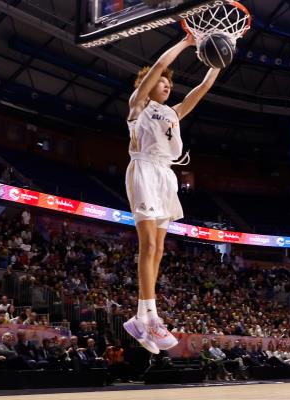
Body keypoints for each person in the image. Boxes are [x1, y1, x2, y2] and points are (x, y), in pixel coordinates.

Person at [122, 33, 221, 354]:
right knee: (148, 243)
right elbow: (161, 64)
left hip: (166, 174)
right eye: (161, 82)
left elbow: (203, 89)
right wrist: (186, 42)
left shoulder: (173, 113)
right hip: (144, 169)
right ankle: (149, 315)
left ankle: (141, 317)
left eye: (168, 83)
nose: (167, 85)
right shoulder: (138, 105)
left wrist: (219, 62)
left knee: (160, 249)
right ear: (148, 85)